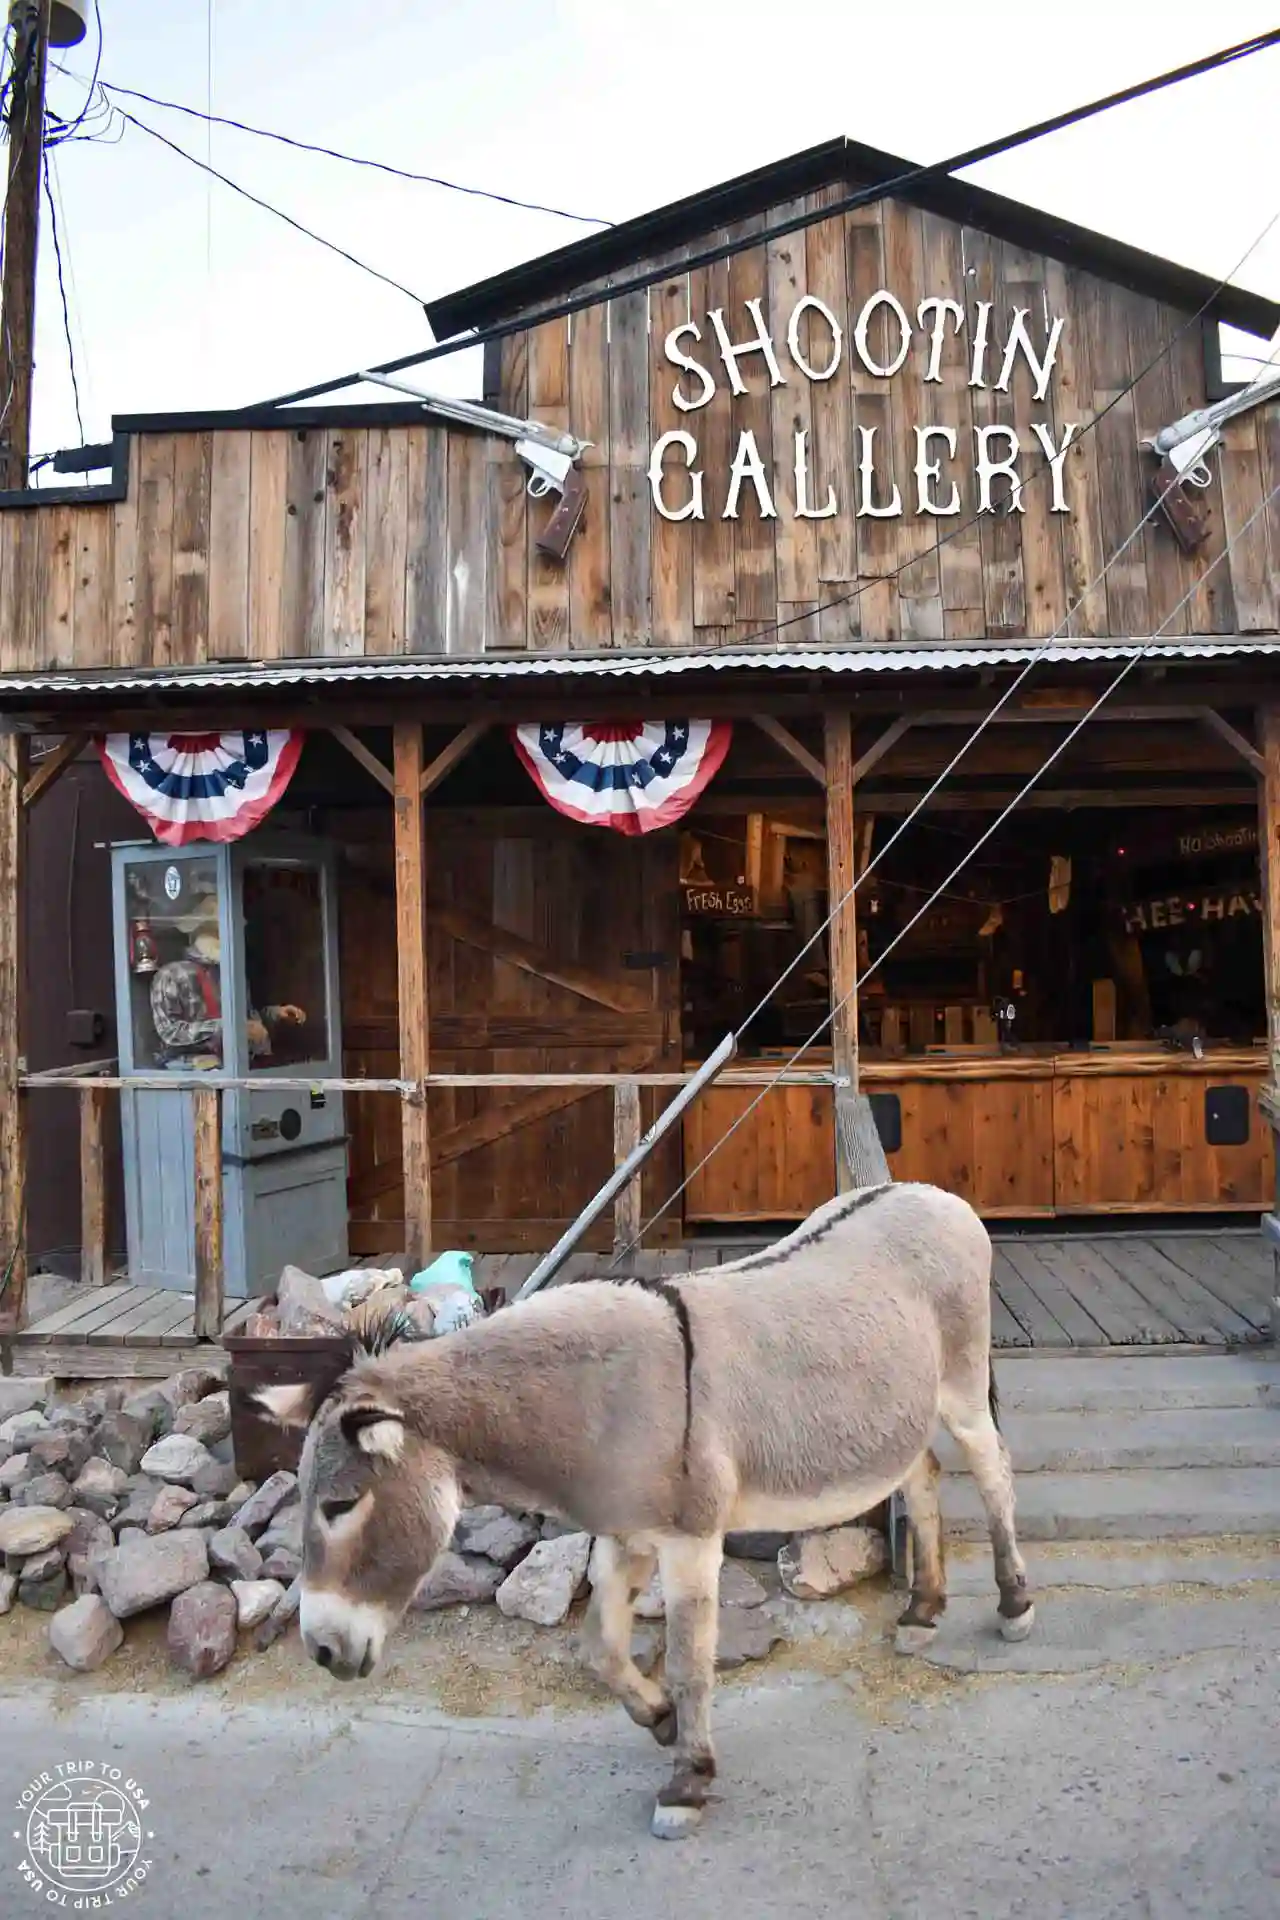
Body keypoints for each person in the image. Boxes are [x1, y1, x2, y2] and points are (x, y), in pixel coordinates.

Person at [149, 899, 305, 1065]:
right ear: (199, 932)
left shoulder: (232, 975)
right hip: (192, 1070)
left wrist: (275, 1014)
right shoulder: (170, 975)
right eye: (216, 933)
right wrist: (229, 1027)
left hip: (241, 1066)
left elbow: (247, 1020)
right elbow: (169, 1032)